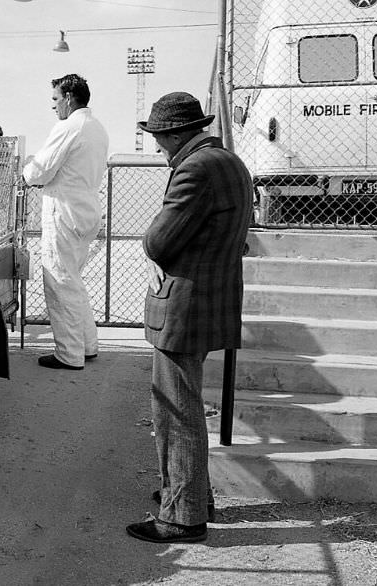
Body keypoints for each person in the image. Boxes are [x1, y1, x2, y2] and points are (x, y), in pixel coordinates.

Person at [125, 92, 252, 544]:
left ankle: (181, 516)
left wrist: (148, 246)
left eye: (159, 139)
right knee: (185, 406)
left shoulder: (194, 169)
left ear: (175, 134)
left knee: (175, 411)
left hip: (184, 305)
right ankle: (196, 499)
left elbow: (159, 241)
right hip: (212, 297)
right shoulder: (229, 162)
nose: (158, 148)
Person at [22, 74, 108, 370]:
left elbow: (41, 171)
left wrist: (25, 173)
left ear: (69, 98)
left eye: (56, 99)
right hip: (86, 210)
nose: (54, 106)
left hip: (65, 211)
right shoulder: (96, 127)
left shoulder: (68, 126)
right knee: (73, 280)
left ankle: (69, 354)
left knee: (59, 280)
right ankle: (87, 345)